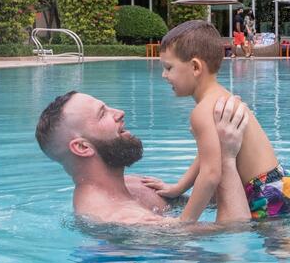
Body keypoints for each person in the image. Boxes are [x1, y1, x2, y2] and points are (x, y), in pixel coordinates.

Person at [35, 91, 251, 226]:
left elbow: (213, 205)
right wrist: (226, 157)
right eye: (103, 114)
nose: (119, 112)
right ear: (82, 147)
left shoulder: (137, 184)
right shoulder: (119, 219)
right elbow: (234, 230)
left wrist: (212, 140)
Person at [152, 20, 289, 221]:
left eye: (168, 68)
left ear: (196, 67)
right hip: (277, 182)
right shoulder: (221, 97)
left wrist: (185, 221)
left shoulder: (202, 111)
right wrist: (178, 188)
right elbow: (208, 156)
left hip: (263, 194)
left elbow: (210, 174)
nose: (164, 75)